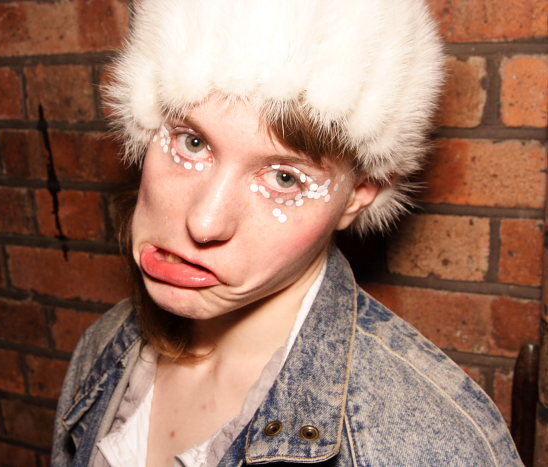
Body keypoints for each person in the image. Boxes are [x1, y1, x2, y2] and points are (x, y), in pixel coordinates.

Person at [52, 0, 522, 465]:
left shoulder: (427, 446)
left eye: (284, 178)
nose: (204, 222)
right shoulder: (103, 349)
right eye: (192, 143)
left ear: (359, 194)